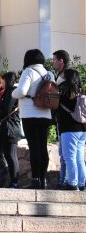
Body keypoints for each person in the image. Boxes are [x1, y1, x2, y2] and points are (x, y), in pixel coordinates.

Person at [11, 49, 55, 189]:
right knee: (42, 147)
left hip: (30, 114)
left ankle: (35, 180)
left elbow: (22, 91)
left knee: (34, 147)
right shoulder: (49, 74)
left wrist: (13, 91)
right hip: (46, 114)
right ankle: (43, 179)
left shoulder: (29, 72)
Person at [55, 68, 86, 190]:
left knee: (69, 157)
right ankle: (82, 183)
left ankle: (73, 183)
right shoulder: (81, 92)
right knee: (79, 158)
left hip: (69, 129)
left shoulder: (65, 93)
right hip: (82, 129)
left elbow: (57, 108)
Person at [0, 71, 21, 188]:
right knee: (8, 155)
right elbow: (4, 109)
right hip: (7, 127)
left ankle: (14, 182)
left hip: (11, 128)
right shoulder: (7, 92)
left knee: (11, 155)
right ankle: (12, 181)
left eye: (3, 80)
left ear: (8, 80)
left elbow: (6, 110)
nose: (2, 82)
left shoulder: (12, 92)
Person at [52, 49, 70, 188]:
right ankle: (64, 180)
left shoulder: (66, 77)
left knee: (66, 154)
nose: (53, 62)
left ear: (61, 61)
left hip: (67, 121)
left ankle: (66, 181)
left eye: (54, 60)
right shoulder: (61, 76)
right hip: (62, 120)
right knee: (64, 153)